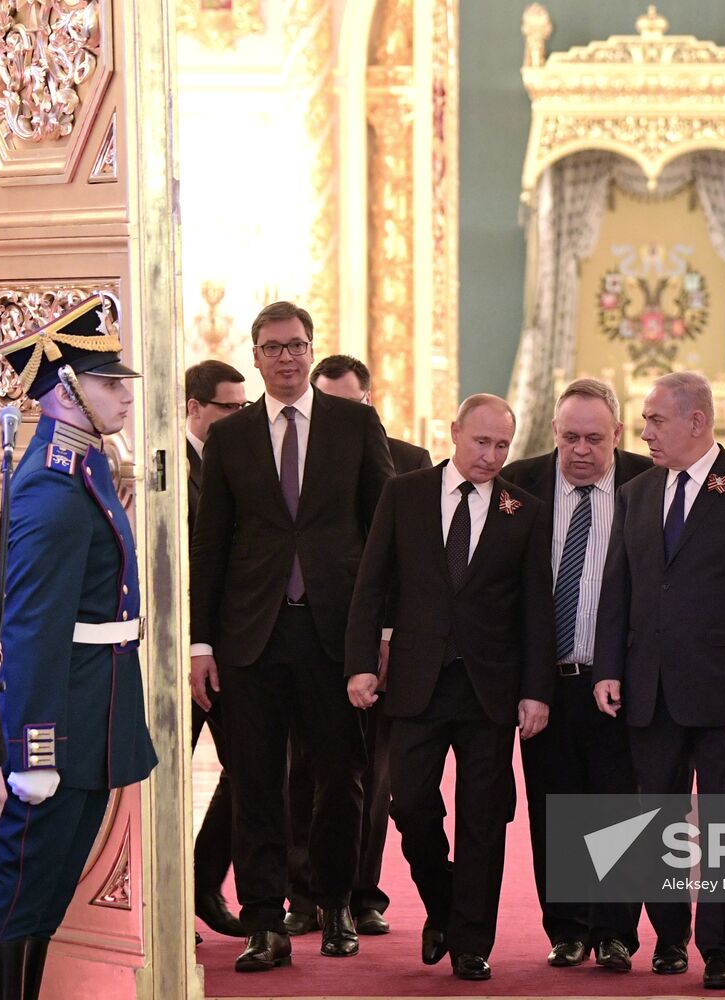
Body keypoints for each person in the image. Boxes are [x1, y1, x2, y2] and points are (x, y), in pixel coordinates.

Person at [189, 301, 395, 973]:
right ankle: (265, 923)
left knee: (340, 778)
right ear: (256, 356)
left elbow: (384, 534)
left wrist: (383, 631)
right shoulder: (232, 438)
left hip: (336, 635)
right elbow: (210, 546)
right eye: (273, 347)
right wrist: (201, 645)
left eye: (297, 346)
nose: (286, 356)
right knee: (255, 781)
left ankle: (334, 903)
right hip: (252, 637)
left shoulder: (355, 424)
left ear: (312, 351)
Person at [345, 394, 553, 982]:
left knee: (484, 817)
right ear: (455, 433)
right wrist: (361, 663)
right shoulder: (404, 494)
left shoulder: (524, 510)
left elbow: (538, 609)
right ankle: (443, 900)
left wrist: (537, 690)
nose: (491, 456)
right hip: (416, 682)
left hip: (490, 689)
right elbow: (372, 585)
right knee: (409, 802)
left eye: (502, 446)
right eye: (481, 442)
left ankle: (470, 943)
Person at [593, 372, 725, 990]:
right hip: (649, 687)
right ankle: (670, 936)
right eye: (645, 421)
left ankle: (723, 947)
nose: (644, 431)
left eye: (654, 420)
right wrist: (608, 668)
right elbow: (617, 587)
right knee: (657, 817)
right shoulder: (638, 491)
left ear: (696, 422)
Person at [0, 294, 158, 1000]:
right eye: (107, 383)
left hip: (95, 710)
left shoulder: (86, 467)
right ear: (64, 391)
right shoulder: (53, 490)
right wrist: (34, 752)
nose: (123, 395)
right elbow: (29, 632)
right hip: (60, 727)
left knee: (50, 887)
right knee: (24, 888)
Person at [501, 377, 654, 971]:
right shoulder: (522, 483)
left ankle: (615, 930)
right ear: (555, 435)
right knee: (555, 805)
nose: (582, 450)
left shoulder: (649, 481)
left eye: (595, 438)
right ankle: (566, 926)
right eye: (570, 438)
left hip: (619, 678)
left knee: (620, 805)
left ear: (617, 434)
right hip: (546, 682)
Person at [285, 354, 432, 938]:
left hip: (386, 642)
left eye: (347, 404)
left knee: (373, 774)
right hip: (312, 637)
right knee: (304, 769)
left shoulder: (413, 463)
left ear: (368, 401)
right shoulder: (293, 457)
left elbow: (410, 563)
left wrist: (392, 634)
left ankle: (362, 892)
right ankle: (302, 894)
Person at [184, 360, 248, 940]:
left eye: (242, 408)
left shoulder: (235, 463)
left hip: (233, 652)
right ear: (193, 408)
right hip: (174, 654)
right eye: (227, 408)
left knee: (250, 770)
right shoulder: (160, 468)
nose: (237, 419)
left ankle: (202, 883)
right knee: (164, 776)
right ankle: (158, 900)